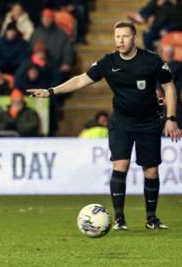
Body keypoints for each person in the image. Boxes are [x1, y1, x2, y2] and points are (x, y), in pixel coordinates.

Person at [28, 21, 181, 230]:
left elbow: (169, 88)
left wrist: (171, 118)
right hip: (121, 121)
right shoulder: (108, 62)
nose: (120, 41)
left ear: (134, 38)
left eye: (125, 36)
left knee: (151, 171)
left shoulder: (151, 60)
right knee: (121, 165)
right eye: (117, 37)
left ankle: (151, 219)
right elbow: (81, 80)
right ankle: (119, 219)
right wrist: (51, 91)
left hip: (148, 121)